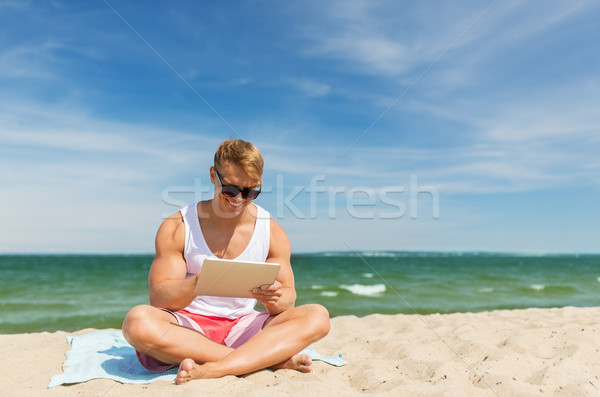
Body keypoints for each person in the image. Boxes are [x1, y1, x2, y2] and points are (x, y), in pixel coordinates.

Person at [122, 139, 330, 384]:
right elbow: (159, 298)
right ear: (213, 176)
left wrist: (274, 298)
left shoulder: (272, 232)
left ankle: (216, 368)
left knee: (318, 316)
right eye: (230, 190)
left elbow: (287, 302)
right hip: (189, 329)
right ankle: (266, 361)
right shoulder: (177, 226)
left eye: (251, 192)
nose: (239, 199)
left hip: (245, 326)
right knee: (137, 322)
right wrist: (199, 282)